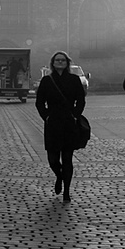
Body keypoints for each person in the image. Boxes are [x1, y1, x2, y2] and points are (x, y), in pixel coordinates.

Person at [35, 51, 86, 203]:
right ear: (53, 62)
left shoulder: (74, 79)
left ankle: (67, 192)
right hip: (53, 123)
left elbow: (81, 101)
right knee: (52, 159)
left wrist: (75, 115)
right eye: (57, 60)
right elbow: (39, 102)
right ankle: (59, 176)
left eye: (63, 60)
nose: (60, 62)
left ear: (67, 62)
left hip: (69, 123)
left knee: (68, 158)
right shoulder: (46, 81)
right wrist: (46, 116)